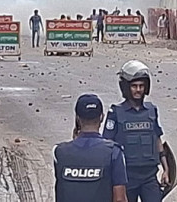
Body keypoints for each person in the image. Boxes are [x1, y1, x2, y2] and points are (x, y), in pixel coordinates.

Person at [103, 61, 170, 202]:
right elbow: (107, 146)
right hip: (126, 177)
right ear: (126, 87)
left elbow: (158, 141)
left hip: (149, 176)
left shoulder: (151, 111)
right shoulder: (115, 113)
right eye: (134, 86)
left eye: (141, 86)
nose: (138, 90)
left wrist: (166, 169)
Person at [54, 94, 129, 202]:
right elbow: (119, 199)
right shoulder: (113, 153)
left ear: (77, 118)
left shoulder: (60, 152)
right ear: (102, 117)